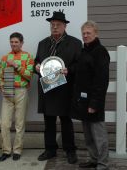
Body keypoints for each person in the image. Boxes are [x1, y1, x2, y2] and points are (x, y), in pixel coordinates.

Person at [34, 11, 82, 164]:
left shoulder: (75, 43)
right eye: (52, 25)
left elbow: (79, 65)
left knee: (66, 121)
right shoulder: (42, 43)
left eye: (58, 25)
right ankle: (50, 149)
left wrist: (70, 70)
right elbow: (37, 60)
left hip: (65, 88)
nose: (54, 27)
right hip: (47, 87)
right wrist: (36, 66)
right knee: (48, 121)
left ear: (64, 26)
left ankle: (70, 150)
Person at [72, 21, 110, 170]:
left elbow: (102, 80)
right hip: (83, 100)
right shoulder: (84, 51)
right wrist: (69, 70)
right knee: (88, 134)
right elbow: (79, 69)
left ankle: (103, 163)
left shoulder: (100, 52)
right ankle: (94, 159)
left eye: (88, 33)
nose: (85, 35)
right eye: (83, 33)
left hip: (94, 101)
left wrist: (94, 104)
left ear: (96, 34)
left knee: (99, 135)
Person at [0, 32, 34, 161]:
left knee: (19, 123)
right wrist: (2, 86)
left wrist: (16, 65)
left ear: (21, 43)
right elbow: (0, 76)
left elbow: (29, 75)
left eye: (16, 42)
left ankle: (17, 150)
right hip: (7, 91)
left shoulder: (28, 57)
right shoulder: (4, 58)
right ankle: (6, 151)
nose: (13, 44)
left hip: (21, 91)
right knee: (4, 123)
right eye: (11, 42)